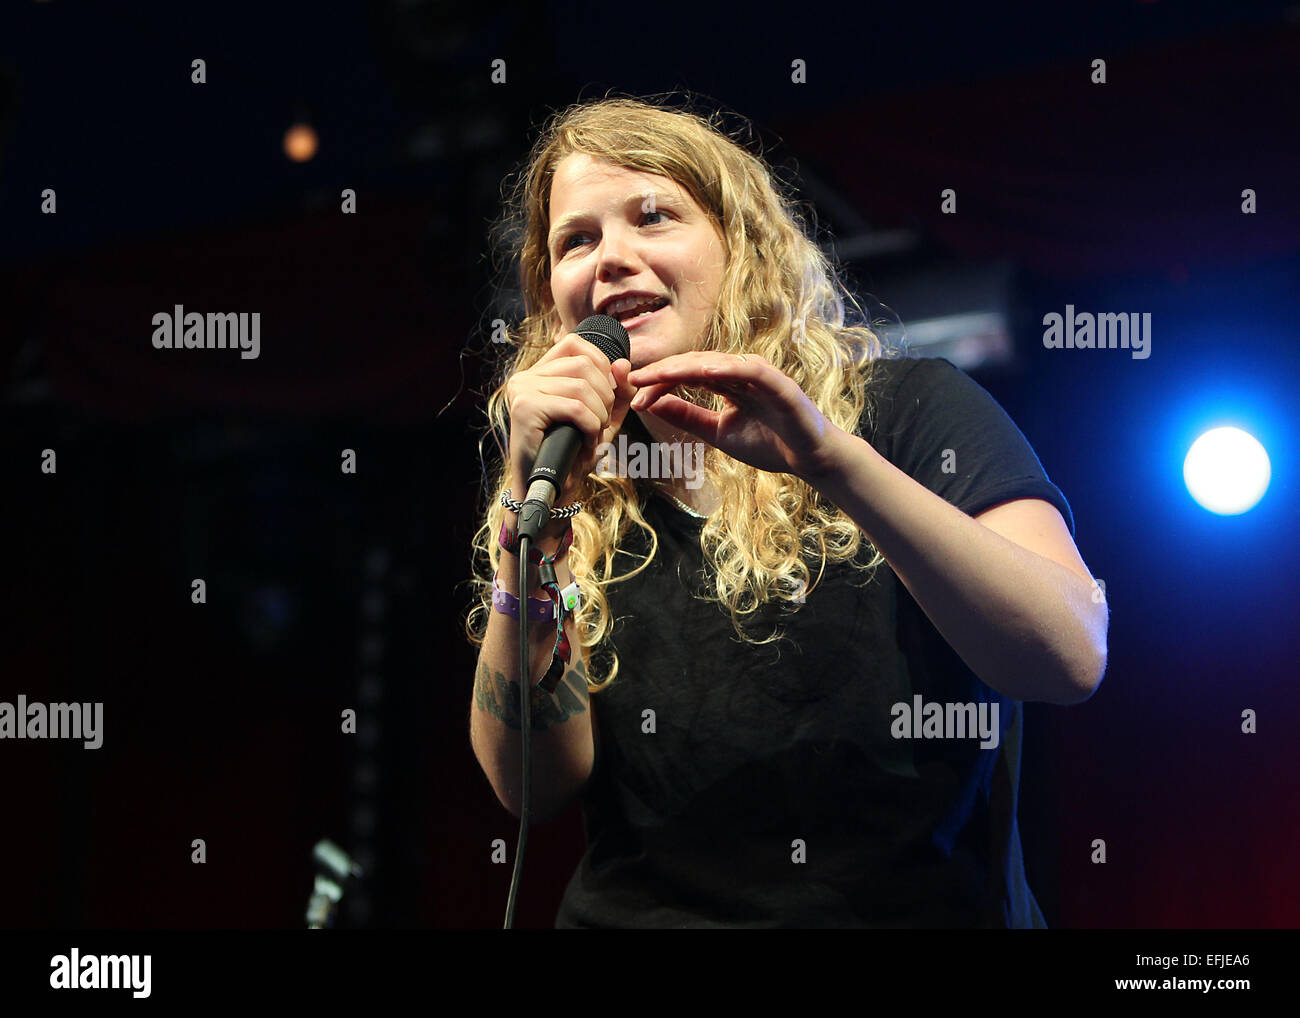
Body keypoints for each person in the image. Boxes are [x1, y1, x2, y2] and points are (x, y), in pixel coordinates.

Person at [464, 95, 1108, 928]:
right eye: (575, 240)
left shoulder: (909, 412)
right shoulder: (570, 487)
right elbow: (530, 786)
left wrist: (832, 462)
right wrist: (526, 530)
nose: (611, 258)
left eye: (654, 216)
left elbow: (1067, 656)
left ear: (743, 248)